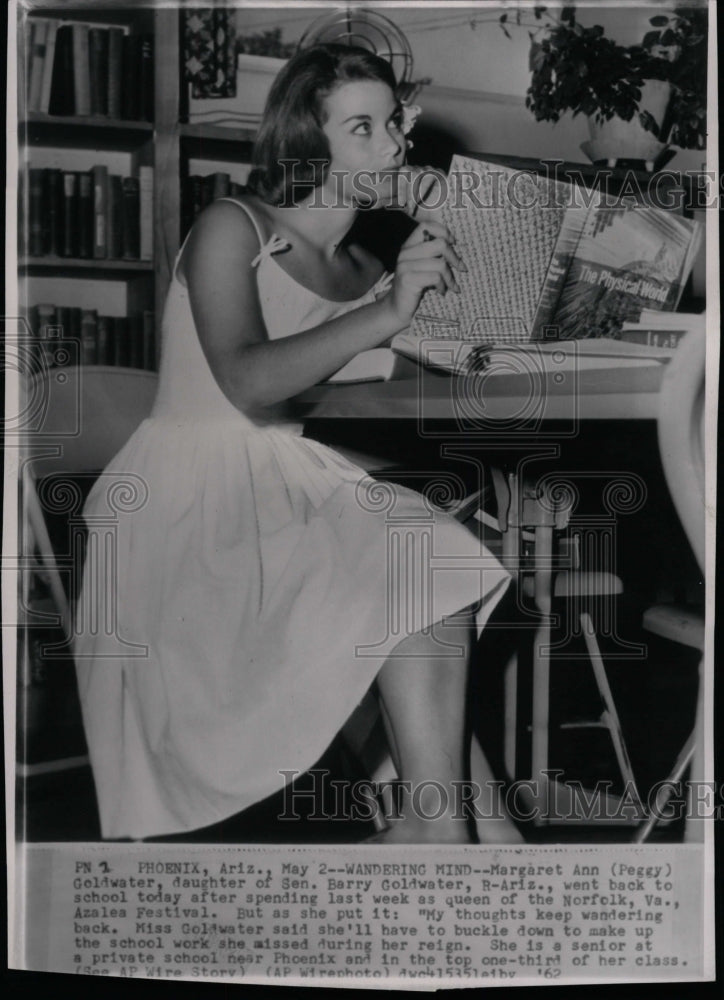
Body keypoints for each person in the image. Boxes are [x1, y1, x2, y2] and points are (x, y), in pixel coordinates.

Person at [73, 44, 515, 844]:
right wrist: (387, 316)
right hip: (181, 502)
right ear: (308, 144)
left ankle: (446, 829)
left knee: (435, 553)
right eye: (363, 128)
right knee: (418, 555)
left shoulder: (361, 265)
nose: (392, 147)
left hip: (278, 476)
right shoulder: (232, 225)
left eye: (393, 125)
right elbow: (244, 382)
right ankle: (440, 832)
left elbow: (371, 376)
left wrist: (474, 316)